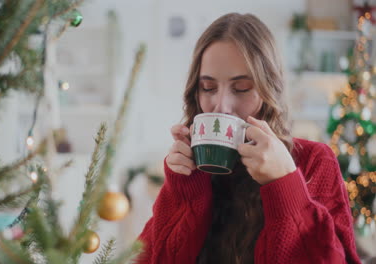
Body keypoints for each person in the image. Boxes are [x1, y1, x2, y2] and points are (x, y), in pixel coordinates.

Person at [136, 13, 361, 264]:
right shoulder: (191, 172)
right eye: (208, 88)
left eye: (241, 88)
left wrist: (285, 185)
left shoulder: (313, 161)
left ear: (268, 90)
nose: (221, 106)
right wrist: (185, 192)